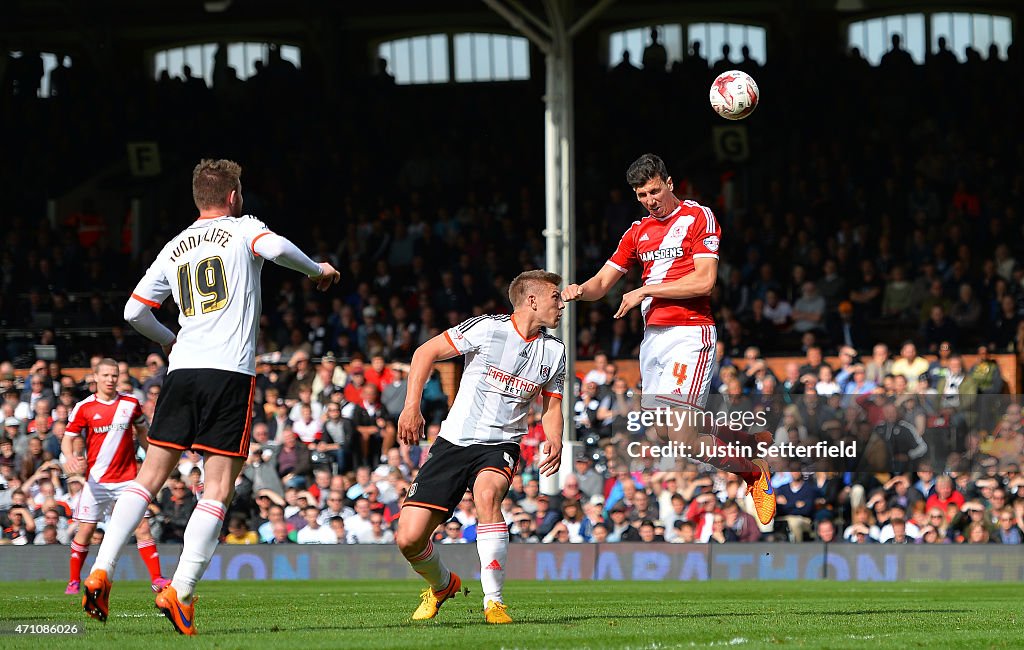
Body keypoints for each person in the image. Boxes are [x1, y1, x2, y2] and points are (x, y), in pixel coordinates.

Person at [80, 159, 340, 635]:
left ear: (198, 197)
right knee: (217, 488)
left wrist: (168, 340)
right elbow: (277, 247)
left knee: (148, 478)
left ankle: (101, 569)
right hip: (228, 375)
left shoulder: (176, 244)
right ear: (234, 195)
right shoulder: (244, 229)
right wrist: (316, 269)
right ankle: (179, 590)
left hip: (181, 373)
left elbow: (134, 310)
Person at [561, 153, 774, 525]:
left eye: (654, 191)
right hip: (653, 339)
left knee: (683, 436)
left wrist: (645, 290)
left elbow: (704, 281)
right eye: (642, 194)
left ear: (670, 183)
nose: (649, 200)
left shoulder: (698, 217)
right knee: (663, 430)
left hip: (689, 333)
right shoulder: (637, 231)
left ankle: (753, 473)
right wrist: (579, 290)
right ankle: (745, 439)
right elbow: (601, 283)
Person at [394, 270, 566, 625]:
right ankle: (442, 585)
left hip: (500, 444)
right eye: (555, 296)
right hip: (454, 441)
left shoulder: (554, 351)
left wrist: (555, 438)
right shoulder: (487, 329)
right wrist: (412, 406)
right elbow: (426, 351)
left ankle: (494, 602)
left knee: (488, 495)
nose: (561, 303)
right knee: (409, 539)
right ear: (531, 300)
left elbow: (552, 405)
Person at [61, 358, 170, 595]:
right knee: (86, 531)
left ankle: (157, 579)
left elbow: (143, 431)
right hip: (96, 482)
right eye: (106, 375)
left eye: (114, 375)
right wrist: (70, 457)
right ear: (96, 377)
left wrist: (152, 458)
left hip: (128, 479)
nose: (110, 380)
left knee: (142, 527)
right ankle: (73, 581)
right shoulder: (84, 407)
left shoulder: (131, 404)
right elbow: (68, 437)